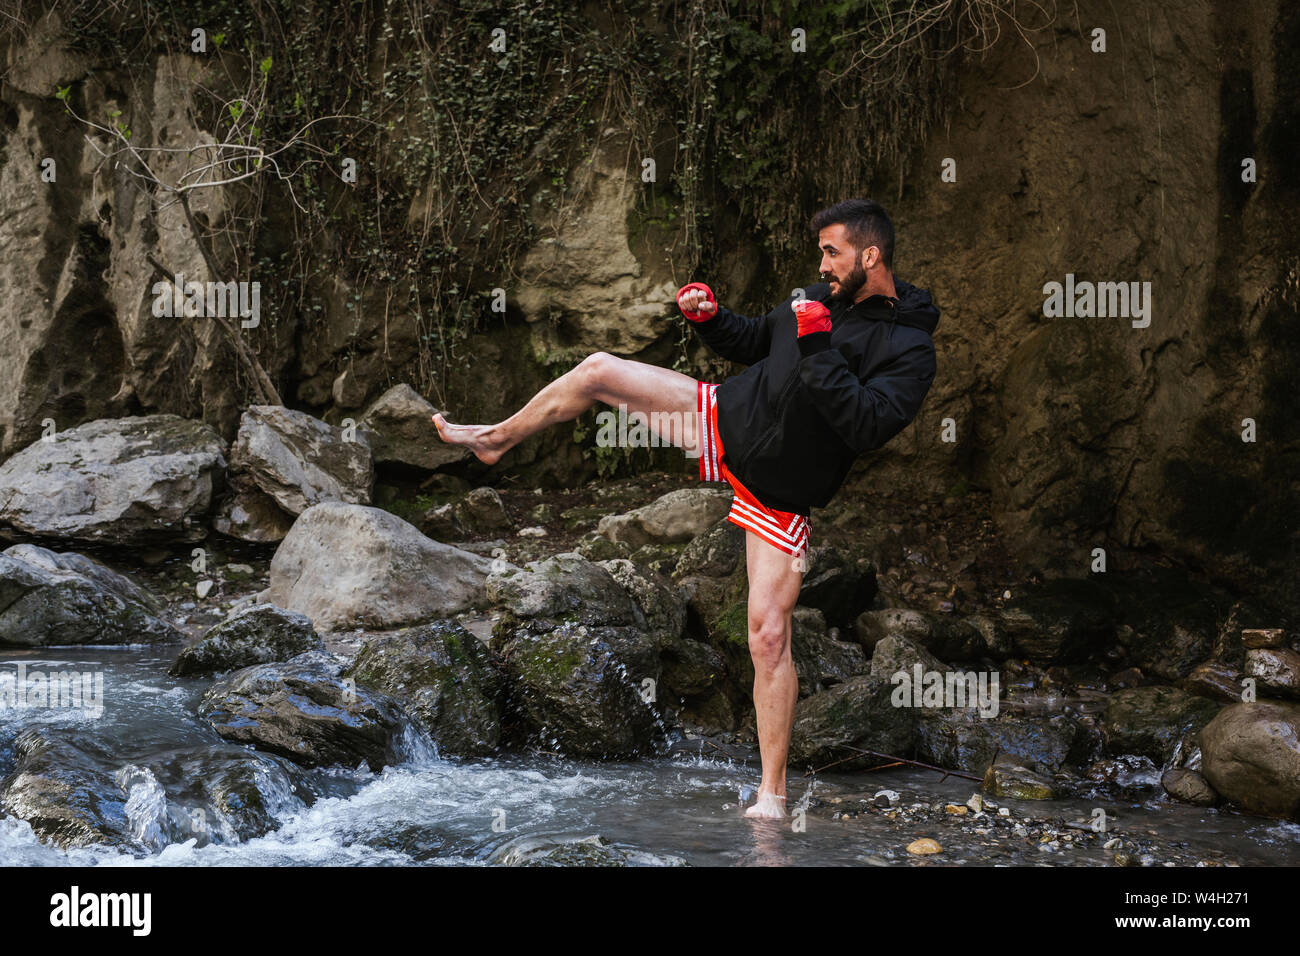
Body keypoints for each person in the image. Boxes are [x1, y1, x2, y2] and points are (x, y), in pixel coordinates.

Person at [431, 197, 940, 818]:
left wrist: (820, 347)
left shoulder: (911, 348)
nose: (823, 265)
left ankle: (772, 796)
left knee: (768, 636)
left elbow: (865, 425)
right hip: (722, 418)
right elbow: (758, 341)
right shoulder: (816, 295)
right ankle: (496, 439)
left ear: (870, 254)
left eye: (831, 252)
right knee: (597, 370)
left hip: (782, 489)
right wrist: (711, 317)